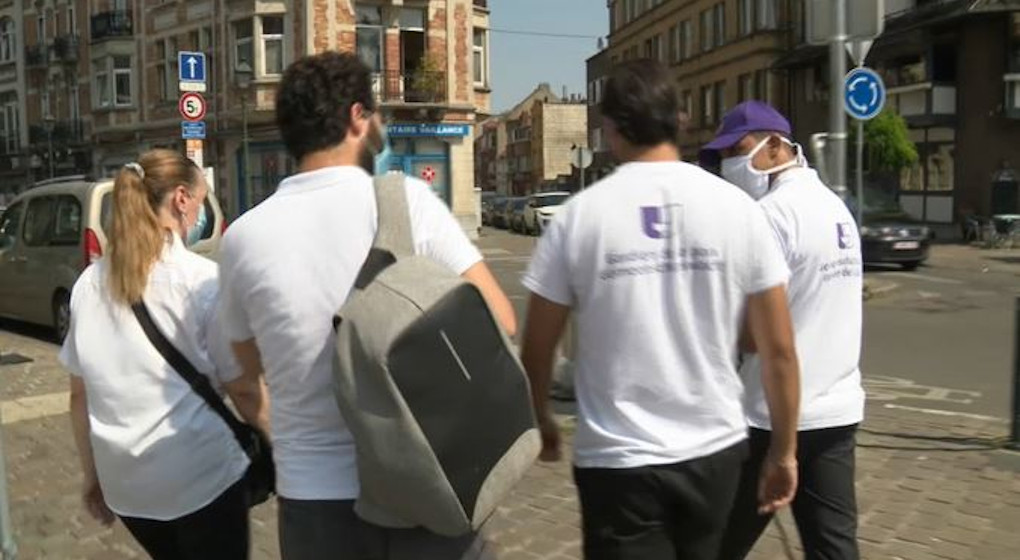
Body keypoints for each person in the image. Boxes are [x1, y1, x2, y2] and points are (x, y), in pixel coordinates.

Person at [216, 51, 516, 560]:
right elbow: (501, 320)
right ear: (357, 117)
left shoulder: (242, 238)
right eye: (373, 112)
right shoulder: (407, 203)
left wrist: (285, 435)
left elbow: (242, 381)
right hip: (423, 483)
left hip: (313, 497)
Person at [519, 59, 801, 560]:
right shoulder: (738, 210)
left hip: (618, 460)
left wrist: (541, 417)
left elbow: (538, 346)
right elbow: (778, 348)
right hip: (713, 452)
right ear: (682, 119)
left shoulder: (579, 217)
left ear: (610, 129)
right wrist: (783, 451)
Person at [61, 149, 270, 560]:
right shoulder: (203, 283)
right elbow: (245, 390)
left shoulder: (88, 284)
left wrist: (91, 476)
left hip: (127, 488)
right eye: (201, 200)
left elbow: (79, 396)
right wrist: (287, 447)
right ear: (181, 199)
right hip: (199, 480)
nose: (201, 214)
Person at [700, 101, 865, 560]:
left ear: (775, 146)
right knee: (833, 547)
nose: (730, 163)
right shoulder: (835, 207)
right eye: (724, 154)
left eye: (738, 150)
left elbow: (754, 335)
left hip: (769, 417)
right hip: (835, 410)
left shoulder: (770, 217)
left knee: (715, 542)